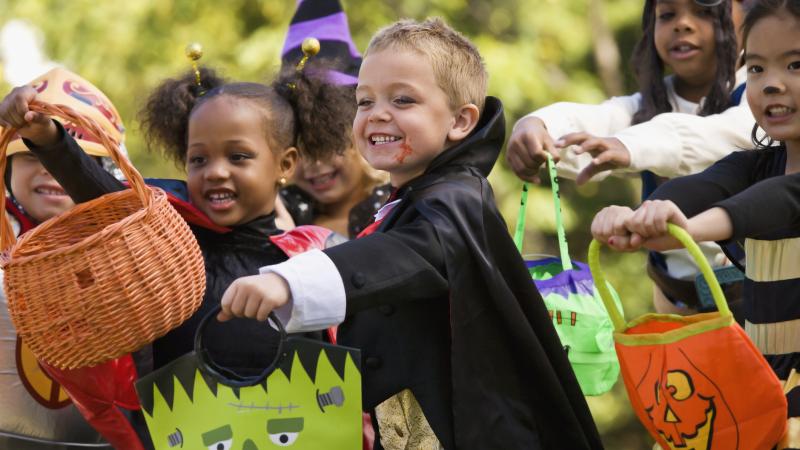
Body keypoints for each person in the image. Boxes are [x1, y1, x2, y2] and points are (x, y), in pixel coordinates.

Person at [218, 17, 603, 450]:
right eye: (364, 102)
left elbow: (411, 252)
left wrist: (289, 281)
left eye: (403, 99)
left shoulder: (456, 200)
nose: (377, 113)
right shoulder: (409, 199)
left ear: (460, 122)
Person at [0, 67, 339, 449]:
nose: (216, 172)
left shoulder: (316, 260)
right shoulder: (166, 238)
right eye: (199, 160)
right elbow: (109, 201)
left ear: (286, 164)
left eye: (239, 156)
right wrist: (50, 141)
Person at [591, 1, 800, 446]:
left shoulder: (773, 190)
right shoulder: (753, 165)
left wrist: (690, 227)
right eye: (758, 68)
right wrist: (637, 218)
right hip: (762, 399)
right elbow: (701, 186)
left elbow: (774, 203)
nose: (772, 84)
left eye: (796, 64)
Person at [511, 0, 750, 318]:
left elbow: (727, 134)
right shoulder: (649, 106)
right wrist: (537, 126)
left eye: (704, 11)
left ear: (748, 14)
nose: (683, 24)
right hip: (678, 313)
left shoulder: (761, 96)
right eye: (667, 15)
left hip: (762, 307)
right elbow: (599, 120)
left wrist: (631, 145)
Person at [0, 67, 121, 450]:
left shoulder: (127, 252)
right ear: (6, 169)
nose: (49, 170)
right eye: (30, 156)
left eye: (67, 160)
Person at [277, 0, 390, 239]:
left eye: (327, 143)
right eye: (302, 148)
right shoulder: (279, 215)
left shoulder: (396, 212)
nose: (315, 164)